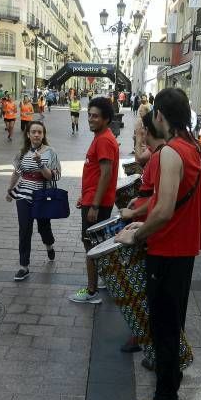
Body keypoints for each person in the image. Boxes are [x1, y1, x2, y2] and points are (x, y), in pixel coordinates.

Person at [117, 88, 201, 400]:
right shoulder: (197, 147)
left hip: (167, 251)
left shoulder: (170, 152)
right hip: (185, 250)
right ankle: (171, 388)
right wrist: (144, 215)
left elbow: (166, 209)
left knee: (164, 331)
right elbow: (175, 202)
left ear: (158, 116)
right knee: (173, 326)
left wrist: (136, 233)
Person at [70, 96, 120, 304]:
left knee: (90, 243)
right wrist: (86, 195)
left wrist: (95, 204)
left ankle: (91, 292)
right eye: (89, 115)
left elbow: (106, 174)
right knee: (95, 242)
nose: (91, 119)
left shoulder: (104, 140)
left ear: (106, 119)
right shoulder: (102, 137)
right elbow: (97, 174)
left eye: (96, 116)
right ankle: (102, 281)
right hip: (93, 199)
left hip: (97, 203)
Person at [6, 120, 60, 280]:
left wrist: (41, 165)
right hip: (23, 194)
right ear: (28, 135)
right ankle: (24, 266)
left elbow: (55, 175)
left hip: (41, 196)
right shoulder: (22, 153)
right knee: (24, 230)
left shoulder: (50, 152)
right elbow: (16, 173)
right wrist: (10, 190)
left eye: (40, 132)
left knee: (43, 227)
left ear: (43, 135)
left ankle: (49, 245)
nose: (37, 135)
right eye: (33, 132)